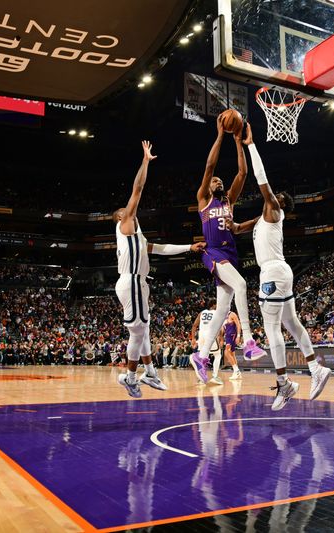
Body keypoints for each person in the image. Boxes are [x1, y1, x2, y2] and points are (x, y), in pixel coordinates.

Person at [228, 123, 331, 410]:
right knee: (291, 324)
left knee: (273, 327)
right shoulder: (261, 220)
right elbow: (238, 228)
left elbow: (262, 180)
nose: (268, 197)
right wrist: (232, 225)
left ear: (278, 202)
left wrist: (250, 145)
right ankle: (316, 369)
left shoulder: (274, 209)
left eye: (274, 196)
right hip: (279, 271)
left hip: (273, 272)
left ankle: (285, 384)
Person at [113, 141, 205, 398]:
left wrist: (189, 247)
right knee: (138, 329)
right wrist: (145, 161)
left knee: (144, 327)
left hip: (135, 283)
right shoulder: (126, 224)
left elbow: (162, 249)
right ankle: (131, 377)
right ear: (122, 217)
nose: (129, 210)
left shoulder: (138, 239)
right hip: (131, 281)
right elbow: (138, 188)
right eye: (125, 210)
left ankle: (150, 371)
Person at [193, 114, 266, 368]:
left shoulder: (228, 201)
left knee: (223, 310)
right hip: (213, 252)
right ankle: (248, 341)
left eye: (220, 181)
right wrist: (220, 135)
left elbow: (243, 173)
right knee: (243, 285)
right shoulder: (204, 199)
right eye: (215, 181)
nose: (218, 181)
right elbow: (209, 167)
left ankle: (200, 356)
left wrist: (238, 141)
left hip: (230, 253)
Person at [191, 301, 224, 385]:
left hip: (201, 335)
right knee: (218, 355)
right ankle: (215, 376)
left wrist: (193, 338)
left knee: (203, 356)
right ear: (213, 305)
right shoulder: (217, 313)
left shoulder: (202, 312)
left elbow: (194, 325)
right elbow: (220, 327)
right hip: (210, 335)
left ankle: (201, 379)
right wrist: (221, 338)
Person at [223, 310, 243, 380]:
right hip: (227, 336)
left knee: (226, 352)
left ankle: (236, 370)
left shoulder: (232, 314)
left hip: (232, 335)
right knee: (232, 354)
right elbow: (223, 328)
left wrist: (238, 336)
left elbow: (238, 325)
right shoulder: (222, 315)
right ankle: (237, 372)